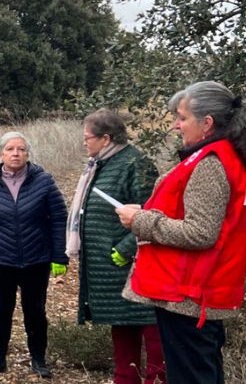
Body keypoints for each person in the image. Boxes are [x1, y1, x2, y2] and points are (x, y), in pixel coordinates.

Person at [119, 81, 246, 384]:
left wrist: (141, 221)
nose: (176, 125)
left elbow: (201, 232)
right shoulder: (225, 157)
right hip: (198, 291)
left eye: (182, 118)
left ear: (207, 123)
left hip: (190, 295)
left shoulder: (210, 164)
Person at [69, 110, 164, 383]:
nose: (84, 143)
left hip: (135, 269)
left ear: (106, 138)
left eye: (87, 137)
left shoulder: (136, 164)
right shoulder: (102, 164)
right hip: (110, 272)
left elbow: (154, 213)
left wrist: (124, 249)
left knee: (152, 333)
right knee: (122, 334)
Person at [0, 132, 68, 379]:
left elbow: (59, 219)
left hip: (36, 259)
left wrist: (59, 256)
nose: (16, 153)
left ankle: (39, 359)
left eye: (21, 149)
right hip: (0, 260)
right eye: (10, 149)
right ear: (1, 154)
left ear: (27, 154)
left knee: (36, 311)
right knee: (0, 310)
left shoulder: (44, 181)